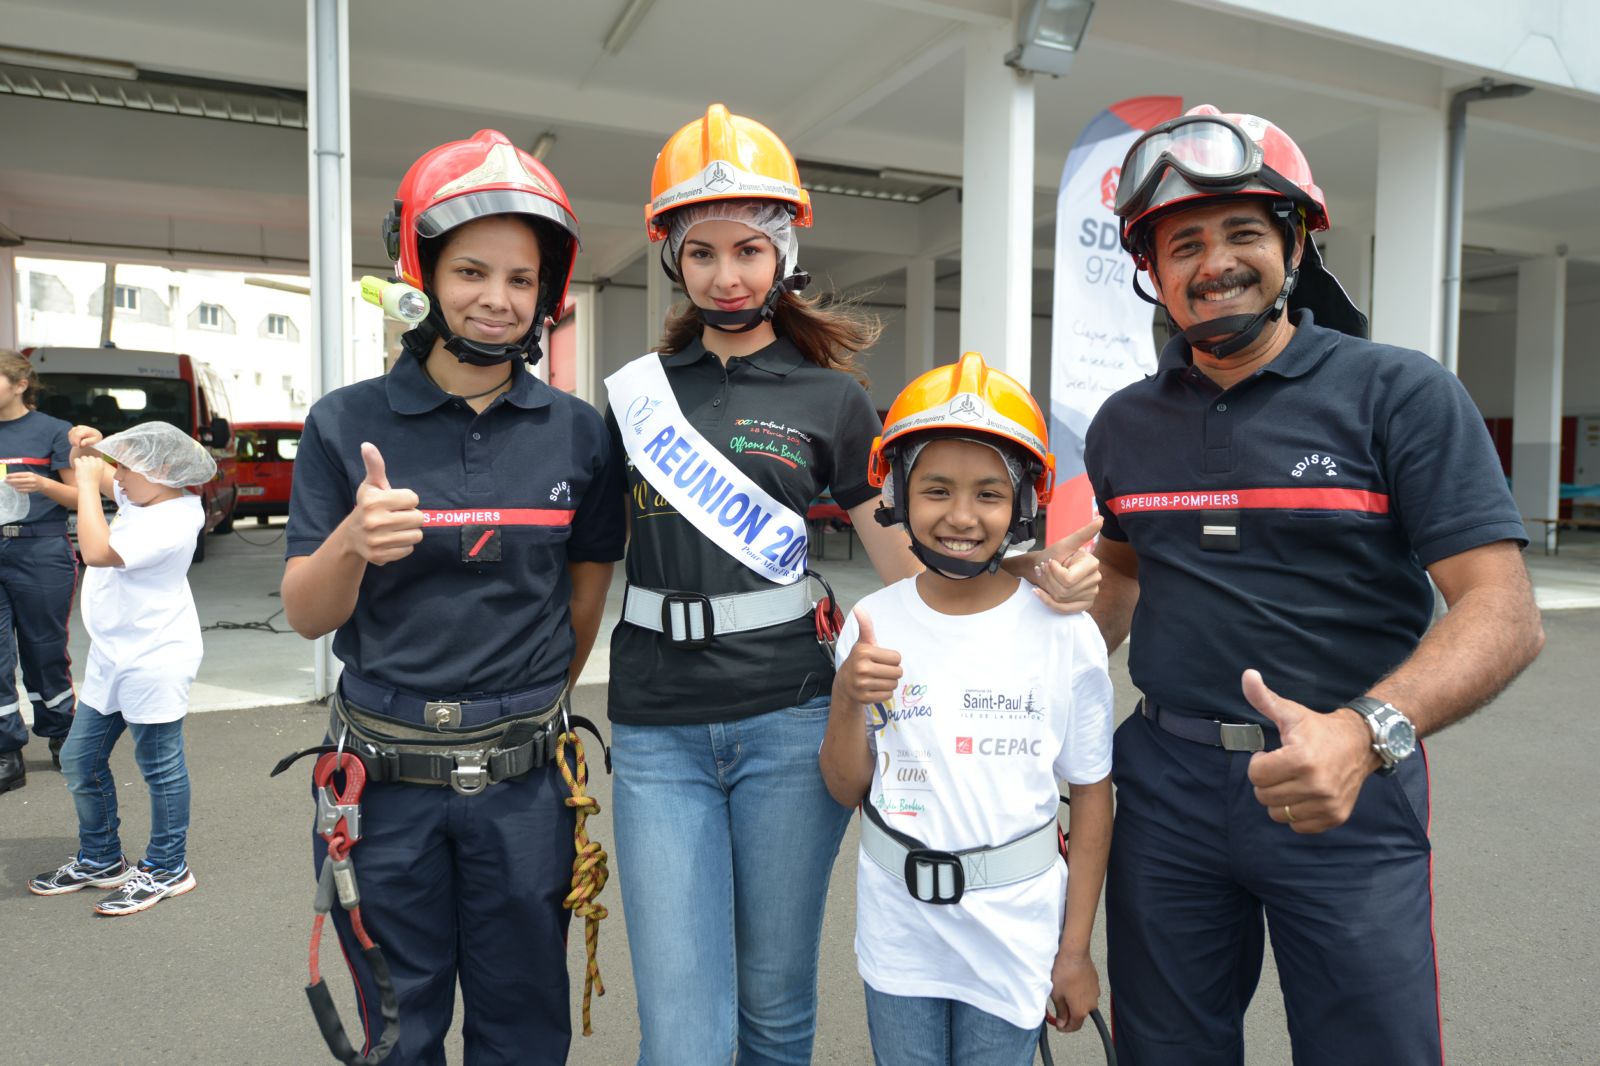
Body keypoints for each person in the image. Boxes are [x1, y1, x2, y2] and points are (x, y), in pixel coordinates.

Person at [604, 103, 1102, 1066]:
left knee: (777, 1004)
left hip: (789, 719)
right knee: (678, 1029)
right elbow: (589, 564)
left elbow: (916, 560)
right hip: (657, 725)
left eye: (748, 249)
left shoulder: (831, 399)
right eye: (701, 252)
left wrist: (1022, 575)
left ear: (783, 250)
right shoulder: (636, 396)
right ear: (672, 256)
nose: (727, 273)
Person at [1084, 104, 1545, 1065]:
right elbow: (1124, 573)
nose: (1214, 262)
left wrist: (1365, 734)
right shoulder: (1125, 425)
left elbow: (1502, 611)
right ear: (1152, 274)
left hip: (1347, 782)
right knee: (1164, 1052)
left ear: (1297, 245)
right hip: (1164, 789)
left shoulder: (1400, 394)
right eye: (1183, 245)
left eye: (1244, 232)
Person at [279, 129, 625, 1065]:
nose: (497, 300)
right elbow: (309, 612)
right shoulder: (344, 422)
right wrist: (353, 543)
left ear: (546, 292)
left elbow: (585, 584)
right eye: (472, 271)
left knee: (524, 1027)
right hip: (379, 789)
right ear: (423, 272)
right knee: (400, 1028)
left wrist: (534, 694)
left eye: (521, 279)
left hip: (524, 786)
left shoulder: (579, 433)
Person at [819, 354, 1114, 1066]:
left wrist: (1074, 951)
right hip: (900, 933)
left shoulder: (1065, 631)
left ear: (1024, 504)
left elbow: (1093, 796)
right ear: (896, 493)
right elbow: (844, 787)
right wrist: (846, 696)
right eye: (936, 489)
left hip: (1015, 933)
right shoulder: (874, 620)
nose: (960, 515)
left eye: (988, 493)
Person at [27, 421, 215, 914]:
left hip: (155, 658)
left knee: (159, 767)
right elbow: (113, 478)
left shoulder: (174, 519)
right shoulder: (148, 496)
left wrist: (86, 483)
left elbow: (96, 551)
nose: (119, 477)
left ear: (162, 472)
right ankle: (102, 859)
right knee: (79, 759)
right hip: (115, 657)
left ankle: (168, 867)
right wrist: (92, 445)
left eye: (129, 467)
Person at [0, 351, 81, 794]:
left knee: (44, 648)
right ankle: (6, 751)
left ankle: (61, 734)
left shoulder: (53, 431)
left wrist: (45, 484)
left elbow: (77, 496)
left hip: (39, 548)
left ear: (20, 383)